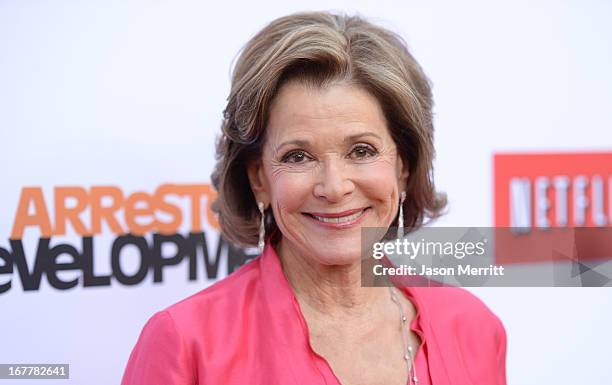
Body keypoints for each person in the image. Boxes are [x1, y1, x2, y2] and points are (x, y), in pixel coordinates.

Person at [121, 11, 507, 385]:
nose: (334, 187)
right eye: (298, 157)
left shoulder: (473, 327)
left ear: (402, 166)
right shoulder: (186, 343)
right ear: (259, 180)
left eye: (362, 151)